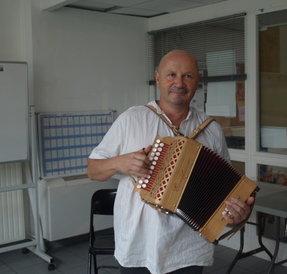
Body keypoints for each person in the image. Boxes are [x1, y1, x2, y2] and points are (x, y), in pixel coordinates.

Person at [87, 49, 255, 274]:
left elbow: (225, 191)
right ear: (158, 78)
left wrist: (237, 215)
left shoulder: (212, 129)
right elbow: (93, 170)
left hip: (189, 249)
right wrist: (118, 163)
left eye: (188, 76)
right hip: (139, 246)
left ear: (198, 81)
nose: (179, 83)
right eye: (171, 75)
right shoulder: (131, 119)